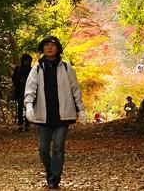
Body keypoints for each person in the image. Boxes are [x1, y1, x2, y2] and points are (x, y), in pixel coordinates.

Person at [24, 35, 87, 190]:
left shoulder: (66, 67)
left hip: (63, 114)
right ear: (43, 48)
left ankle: (54, 179)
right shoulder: (37, 67)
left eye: (52, 45)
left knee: (58, 148)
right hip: (43, 115)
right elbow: (30, 89)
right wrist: (29, 106)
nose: (49, 48)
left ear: (58, 48)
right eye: (46, 45)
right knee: (43, 150)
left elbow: (75, 89)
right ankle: (51, 170)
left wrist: (81, 109)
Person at [12, 53, 33, 130]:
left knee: (28, 107)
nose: (26, 62)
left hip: (28, 91)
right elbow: (13, 79)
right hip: (19, 91)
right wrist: (19, 80)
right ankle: (20, 124)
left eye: (27, 61)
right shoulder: (18, 69)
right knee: (20, 107)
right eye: (25, 60)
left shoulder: (31, 70)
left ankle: (27, 124)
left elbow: (34, 81)